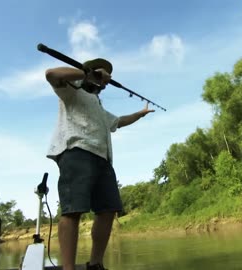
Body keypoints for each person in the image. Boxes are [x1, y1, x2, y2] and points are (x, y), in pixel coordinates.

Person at [45, 58, 155, 270]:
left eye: (106, 79)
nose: (105, 81)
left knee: (108, 209)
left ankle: (96, 264)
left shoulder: (99, 106)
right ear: (92, 72)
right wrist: (86, 74)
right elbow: (51, 74)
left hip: (103, 160)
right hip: (76, 152)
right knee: (73, 210)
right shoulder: (71, 90)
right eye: (103, 75)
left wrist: (140, 115)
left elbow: (119, 122)